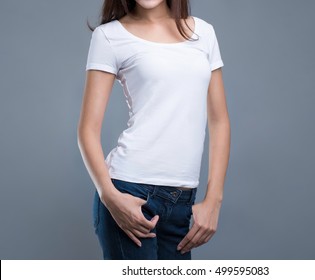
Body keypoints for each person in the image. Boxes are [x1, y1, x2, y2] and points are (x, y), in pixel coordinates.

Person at [77, 0, 230, 260]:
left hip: (183, 202)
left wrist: (213, 199)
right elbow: (87, 130)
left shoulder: (204, 34)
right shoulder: (110, 36)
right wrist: (109, 195)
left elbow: (219, 120)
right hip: (129, 192)